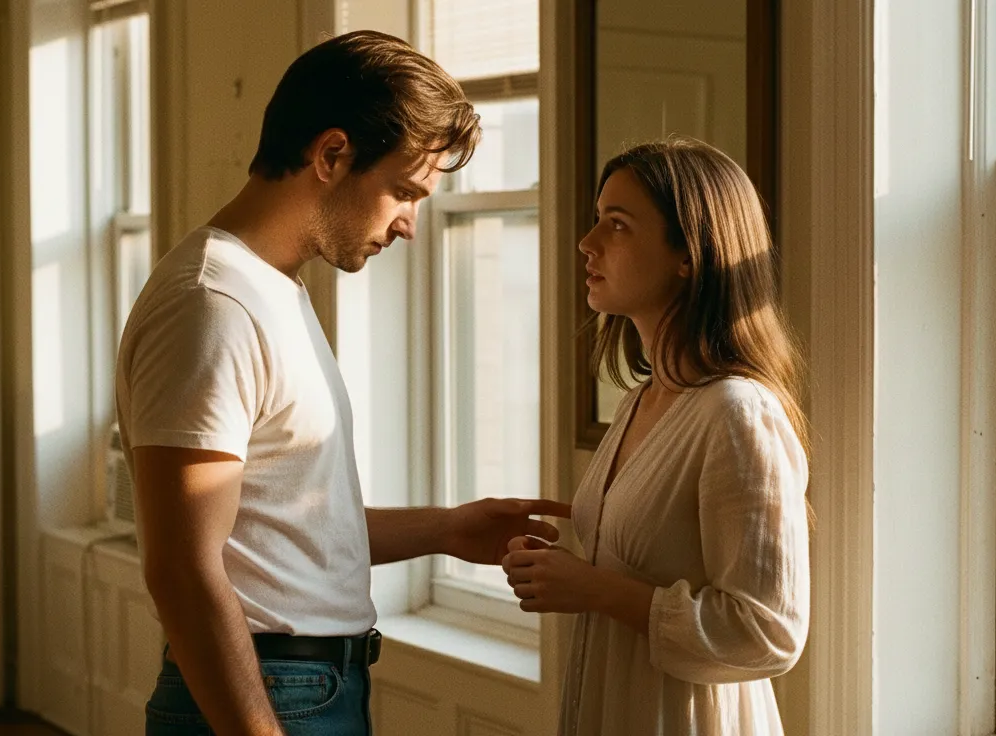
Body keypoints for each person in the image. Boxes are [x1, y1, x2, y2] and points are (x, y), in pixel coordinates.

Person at [117, 30, 570, 736]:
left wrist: (448, 528)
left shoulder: (270, 292)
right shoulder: (214, 304)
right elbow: (180, 570)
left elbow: (280, 531)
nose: (410, 225)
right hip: (271, 694)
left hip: (308, 685)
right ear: (331, 155)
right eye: (403, 191)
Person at [501, 138, 811, 736]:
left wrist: (593, 588)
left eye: (616, 225)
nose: (587, 244)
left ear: (687, 256)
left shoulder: (736, 413)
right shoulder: (644, 399)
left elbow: (768, 633)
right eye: (597, 220)